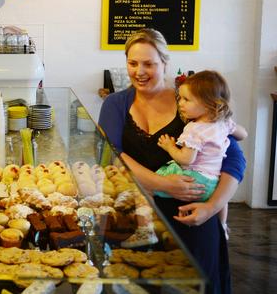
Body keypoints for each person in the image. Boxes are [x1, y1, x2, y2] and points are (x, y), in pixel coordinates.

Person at [98, 28, 246, 294]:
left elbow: (234, 160)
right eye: (133, 63)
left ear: (164, 63)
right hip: (136, 220)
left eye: (149, 64)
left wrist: (212, 208)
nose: (139, 71)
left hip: (192, 215)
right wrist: (163, 183)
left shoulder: (191, 101)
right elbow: (111, 153)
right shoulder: (115, 104)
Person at [155, 70, 248, 240]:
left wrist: (169, 147)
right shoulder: (223, 123)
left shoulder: (193, 129)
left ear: (207, 104)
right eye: (180, 98)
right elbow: (243, 134)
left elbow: (186, 158)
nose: (180, 103)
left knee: (157, 178)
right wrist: (230, 127)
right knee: (222, 201)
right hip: (213, 183)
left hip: (194, 178)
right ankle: (222, 226)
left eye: (186, 99)